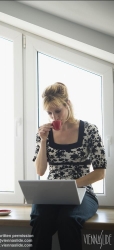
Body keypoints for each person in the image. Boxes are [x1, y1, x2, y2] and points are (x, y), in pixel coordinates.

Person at [30, 82, 106, 250]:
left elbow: (100, 173)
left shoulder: (89, 130)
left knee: (68, 220)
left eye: (58, 111)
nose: (54, 118)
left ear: (68, 104)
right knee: (40, 219)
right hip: (52, 193)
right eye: (49, 113)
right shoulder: (45, 133)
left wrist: (72, 185)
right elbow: (40, 171)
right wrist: (43, 140)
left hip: (83, 191)